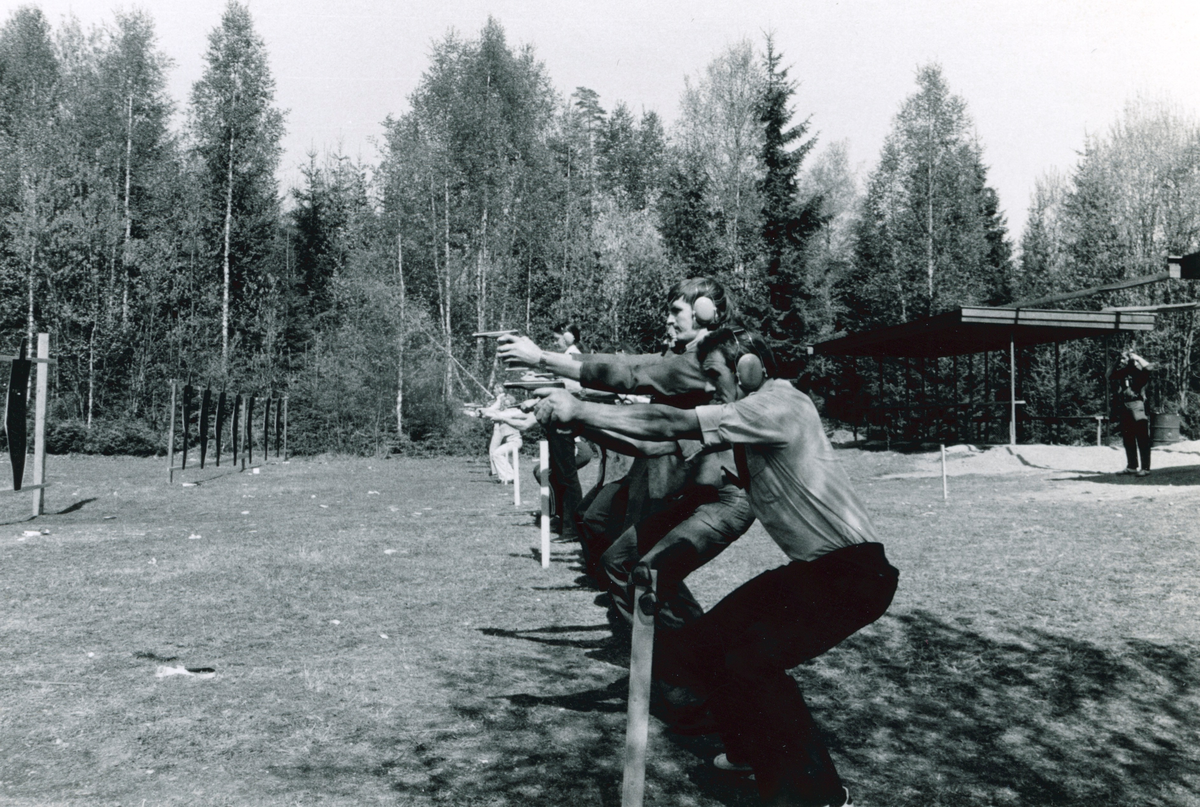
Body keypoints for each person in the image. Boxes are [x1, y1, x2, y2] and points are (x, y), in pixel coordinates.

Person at [532, 327, 898, 807]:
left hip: (850, 575)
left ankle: (818, 797)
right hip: (819, 570)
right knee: (709, 645)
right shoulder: (751, 416)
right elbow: (655, 445)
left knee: (751, 663)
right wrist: (577, 423)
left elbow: (668, 422)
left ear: (749, 368)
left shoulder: (777, 406)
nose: (710, 387)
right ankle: (749, 751)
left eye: (715, 375)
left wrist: (580, 406)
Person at [499, 278, 736, 583]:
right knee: (627, 567)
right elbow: (622, 365)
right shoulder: (684, 357)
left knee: (632, 570)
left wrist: (543, 360)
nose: (667, 319)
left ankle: (680, 630)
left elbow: (632, 376)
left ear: (705, 312)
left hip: (712, 489)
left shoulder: (705, 362)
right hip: (689, 481)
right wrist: (567, 407)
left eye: (676, 310)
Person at [1111, 350, 1153, 477]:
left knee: (1142, 437)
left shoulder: (1139, 373)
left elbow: (1149, 367)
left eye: (1125, 359)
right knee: (1128, 437)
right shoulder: (1123, 372)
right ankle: (1132, 466)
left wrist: (1137, 357)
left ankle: (1145, 467)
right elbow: (1109, 375)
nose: (1124, 361)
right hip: (1124, 405)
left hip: (1136, 404)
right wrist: (1117, 361)